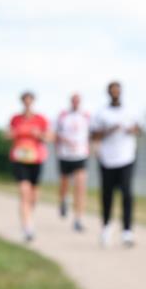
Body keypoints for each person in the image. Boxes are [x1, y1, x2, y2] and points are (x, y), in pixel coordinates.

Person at [90, 81, 139, 248]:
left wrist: (131, 130)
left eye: (118, 91)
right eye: (113, 91)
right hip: (107, 159)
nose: (115, 93)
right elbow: (94, 134)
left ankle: (127, 231)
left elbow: (139, 129)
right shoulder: (101, 113)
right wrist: (110, 130)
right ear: (108, 93)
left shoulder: (130, 110)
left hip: (126, 157)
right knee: (107, 195)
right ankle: (106, 227)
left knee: (127, 193)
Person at [8, 91, 51, 242]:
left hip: (36, 159)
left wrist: (39, 134)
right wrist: (14, 133)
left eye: (29, 100)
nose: (27, 103)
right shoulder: (15, 119)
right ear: (22, 102)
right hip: (19, 159)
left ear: (33, 102)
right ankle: (27, 227)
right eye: (25, 100)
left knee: (33, 195)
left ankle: (29, 217)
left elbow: (50, 137)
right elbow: (7, 135)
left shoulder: (41, 119)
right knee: (24, 191)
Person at [55, 93, 90, 232]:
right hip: (65, 155)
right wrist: (64, 141)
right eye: (73, 101)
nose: (75, 103)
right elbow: (55, 133)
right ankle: (63, 200)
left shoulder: (86, 116)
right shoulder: (62, 115)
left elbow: (91, 134)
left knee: (80, 187)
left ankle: (78, 219)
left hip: (80, 155)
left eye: (78, 101)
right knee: (64, 183)